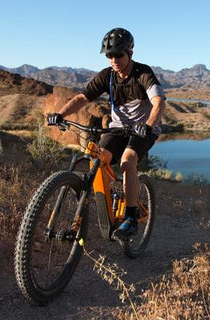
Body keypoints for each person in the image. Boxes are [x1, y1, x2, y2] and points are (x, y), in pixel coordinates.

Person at [47, 27, 166, 239]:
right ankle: (111, 198)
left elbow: (158, 102)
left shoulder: (143, 74)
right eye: (109, 55)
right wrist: (61, 114)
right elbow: (82, 98)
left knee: (128, 161)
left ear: (130, 53)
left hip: (142, 129)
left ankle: (130, 217)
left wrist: (148, 125)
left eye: (118, 54)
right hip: (117, 128)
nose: (113, 59)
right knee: (98, 159)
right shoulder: (107, 77)